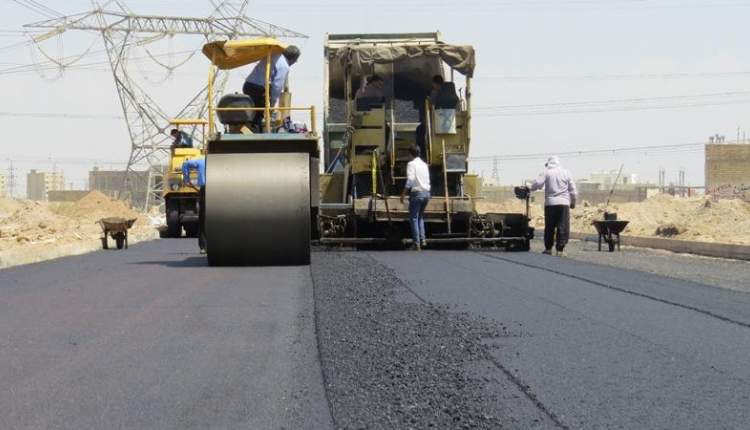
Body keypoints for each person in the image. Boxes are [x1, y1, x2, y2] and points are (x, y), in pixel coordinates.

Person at [242, 45, 301, 131]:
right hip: (258, 89)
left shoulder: (273, 55)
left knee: (251, 112)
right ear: (293, 59)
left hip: (248, 85)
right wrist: (272, 105)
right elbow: (277, 86)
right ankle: (254, 134)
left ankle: (245, 129)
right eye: (295, 60)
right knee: (258, 115)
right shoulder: (284, 65)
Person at [528, 156, 577, 257]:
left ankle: (548, 249)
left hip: (550, 204)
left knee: (549, 227)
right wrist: (573, 202)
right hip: (564, 204)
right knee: (563, 226)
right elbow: (573, 190)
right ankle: (560, 250)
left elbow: (537, 184)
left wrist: (529, 188)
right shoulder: (566, 172)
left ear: (549, 163)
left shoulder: (547, 172)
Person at [400, 145, 431, 250]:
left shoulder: (411, 164)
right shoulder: (424, 165)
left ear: (410, 154)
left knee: (413, 218)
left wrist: (403, 193)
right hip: (426, 193)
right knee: (420, 217)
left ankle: (416, 243)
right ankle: (423, 240)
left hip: (417, 194)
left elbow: (410, 180)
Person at [182, 158, 207, 253]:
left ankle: (204, 247)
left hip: (205, 190)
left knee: (203, 218)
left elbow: (185, 164)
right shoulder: (223, 161)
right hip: (220, 190)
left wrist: (187, 180)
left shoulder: (202, 161)